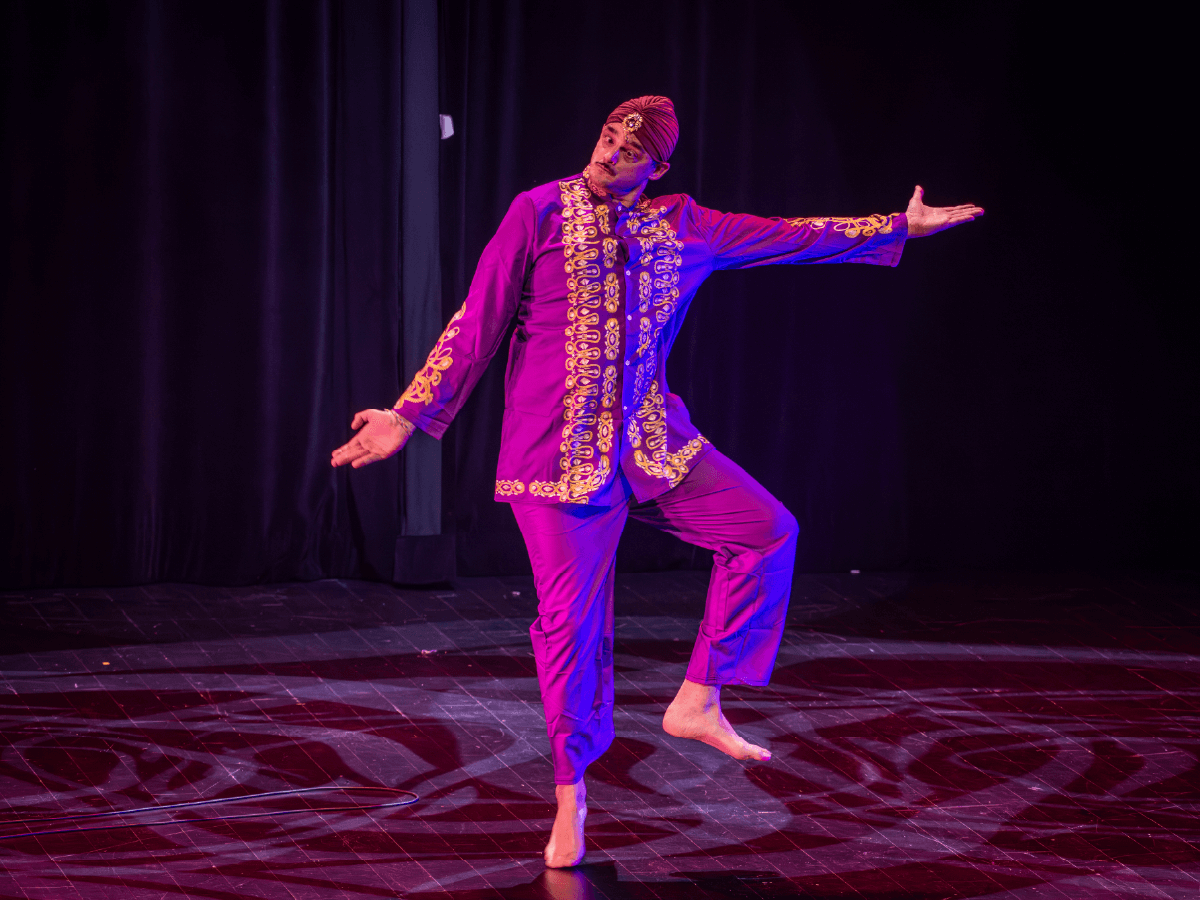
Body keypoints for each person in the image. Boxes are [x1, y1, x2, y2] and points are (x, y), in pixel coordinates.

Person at [331, 96, 983, 867]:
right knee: (571, 630)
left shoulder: (686, 226)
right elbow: (476, 325)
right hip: (556, 460)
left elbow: (791, 236)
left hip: (652, 448)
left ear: (658, 167)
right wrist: (407, 415)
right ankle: (571, 796)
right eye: (607, 137)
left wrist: (896, 227)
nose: (608, 154)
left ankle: (700, 697)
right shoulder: (539, 212)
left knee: (767, 531)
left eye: (629, 150)